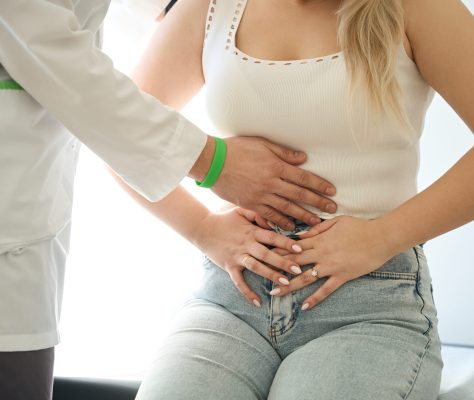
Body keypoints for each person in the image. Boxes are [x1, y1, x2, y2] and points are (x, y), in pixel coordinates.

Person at [108, 0, 474, 399]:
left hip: (368, 307)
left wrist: (384, 236)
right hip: (232, 301)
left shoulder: (415, 8)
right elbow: (117, 130)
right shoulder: (210, 8)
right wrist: (202, 227)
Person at [0, 1, 341, 399]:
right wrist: (210, 175)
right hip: (232, 297)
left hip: (369, 298)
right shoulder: (209, 12)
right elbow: (42, 42)